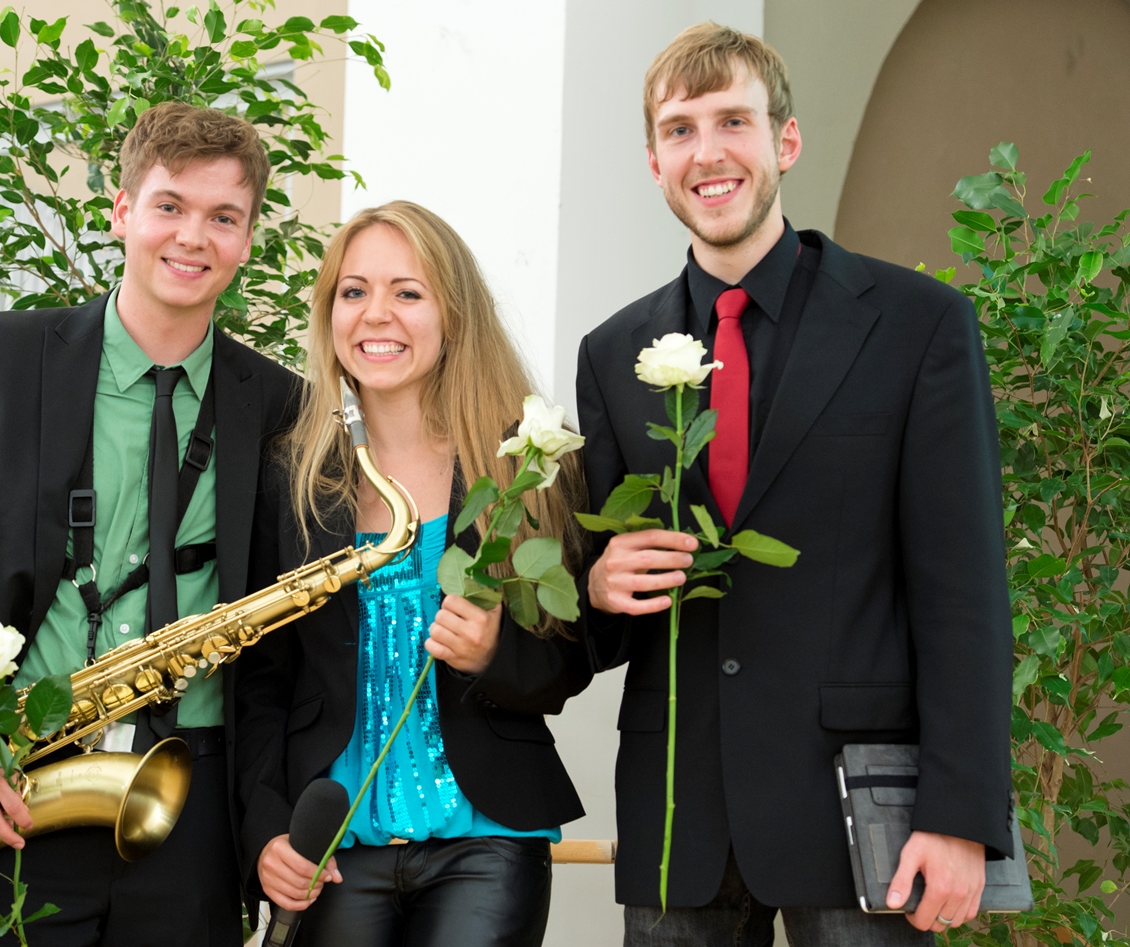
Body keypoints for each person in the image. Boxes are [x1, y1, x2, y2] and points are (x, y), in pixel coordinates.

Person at [576, 22, 1013, 945]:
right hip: (679, 813)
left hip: (865, 813)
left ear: (786, 140)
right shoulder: (611, 353)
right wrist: (598, 585)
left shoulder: (919, 325)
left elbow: (963, 590)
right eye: (680, 130)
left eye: (732, 121)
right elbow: (605, 613)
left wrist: (962, 811)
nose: (707, 152)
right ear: (655, 163)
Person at [0, 101, 298, 946]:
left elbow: (276, 655)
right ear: (122, 210)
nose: (193, 237)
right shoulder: (1, 357)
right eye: (170, 205)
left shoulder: (282, 403)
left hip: (194, 809)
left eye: (224, 217)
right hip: (19, 785)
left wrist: (266, 818)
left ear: (248, 238)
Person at [233, 201, 591, 946]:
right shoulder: (290, 477)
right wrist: (265, 830)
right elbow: (262, 678)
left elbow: (575, 652)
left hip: (487, 841)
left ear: (453, 315)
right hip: (333, 851)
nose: (376, 314)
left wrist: (493, 653)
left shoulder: (524, 459)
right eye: (353, 291)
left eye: (407, 292)